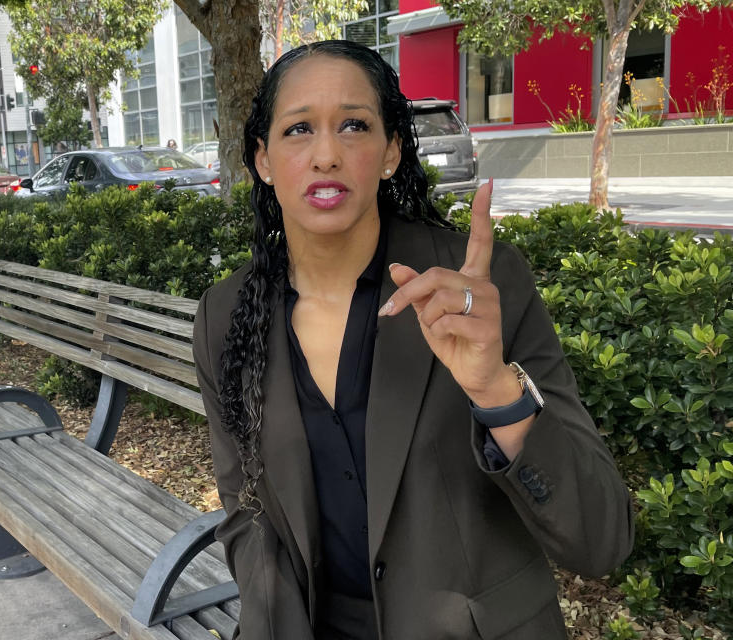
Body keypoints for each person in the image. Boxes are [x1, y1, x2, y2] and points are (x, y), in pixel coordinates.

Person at [192, 40, 634, 640]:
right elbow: (246, 507)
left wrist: (496, 389)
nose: (326, 154)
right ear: (263, 160)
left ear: (392, 151)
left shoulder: (479, 288)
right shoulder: (225, 314)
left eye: (354, 124)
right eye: (298, 129)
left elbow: (602, 539)